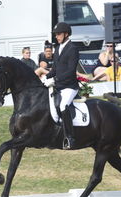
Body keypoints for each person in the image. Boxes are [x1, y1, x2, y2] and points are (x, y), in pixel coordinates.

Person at [44, 22, 79, 150]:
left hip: (70, 86)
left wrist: (55, 79)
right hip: (59, 85)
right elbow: (54, 69)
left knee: (63, 106)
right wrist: (46, 77)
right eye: (56, 34)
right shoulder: (58, 48)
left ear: (66, 34)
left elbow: (70, 71)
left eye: (58, 34)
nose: (57, 36)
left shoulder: (73, 49)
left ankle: (69, 138)